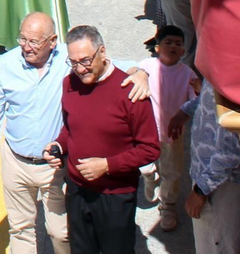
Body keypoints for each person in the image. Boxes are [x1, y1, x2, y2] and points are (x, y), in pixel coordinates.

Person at [0, 12, 153, 254]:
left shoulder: (71, 60)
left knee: (61, 232)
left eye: (34, 42)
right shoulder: (7, 65)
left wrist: (142, 73)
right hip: (15, 161)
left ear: (52, 41)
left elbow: (119, 66)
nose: (26, 47)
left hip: (54, 170)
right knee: (20, 228)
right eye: (22, 39)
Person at [44, 26, 161, 254]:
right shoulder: (70, 83)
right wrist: (59, 145)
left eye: (86, 60)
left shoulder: (131, 92)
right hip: (77, 191)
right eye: (74, 62)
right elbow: (70, 127)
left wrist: (107, 165)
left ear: (102, 52)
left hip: (115, 197)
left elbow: (150, 149)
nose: (80, 69)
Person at [181, 80, 240, 253]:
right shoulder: (219, 67)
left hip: (220, 185)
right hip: (209, 180)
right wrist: (185, 111)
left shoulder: (234, 77)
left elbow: (230, 153)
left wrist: (200, 190)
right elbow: (208, 99)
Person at [137, 25, 198, 232]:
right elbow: (131, 71)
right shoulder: (147, 65)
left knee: (172, 172)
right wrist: (140, 75)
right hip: (147, 129)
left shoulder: (187, 73)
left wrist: (198, 91)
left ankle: (168, 207)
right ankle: (149, 175)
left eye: (178, 44)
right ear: (157, 47)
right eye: (168, 42)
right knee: (144, 163)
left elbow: (194, 99)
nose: (173, 46)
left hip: (173, 133)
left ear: (183, 51)